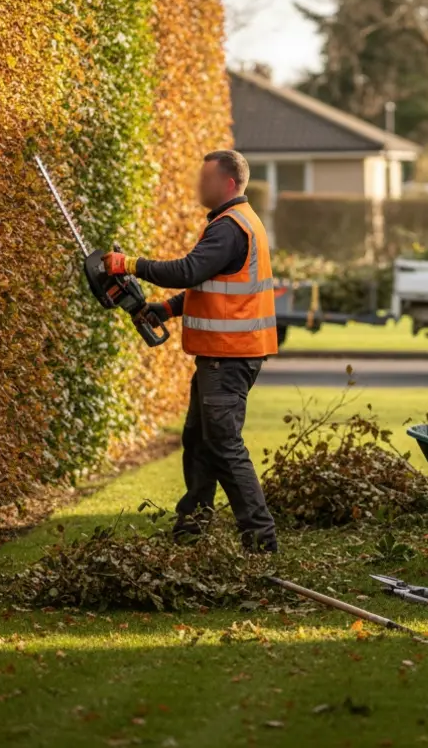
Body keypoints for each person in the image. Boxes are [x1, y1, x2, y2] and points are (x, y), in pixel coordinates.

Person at [101, 150, 279, 553]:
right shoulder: (234, 223)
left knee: (224, 445)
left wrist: (127, 264)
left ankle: (261, 542)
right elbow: (208, 287)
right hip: (223, 356)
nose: (199, 186)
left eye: (206, 179)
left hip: (228, 356)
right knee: (198, 441)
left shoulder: (230, 227)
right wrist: (167, 309)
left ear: (229, 183)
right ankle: (190, 533)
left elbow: (187, 270)